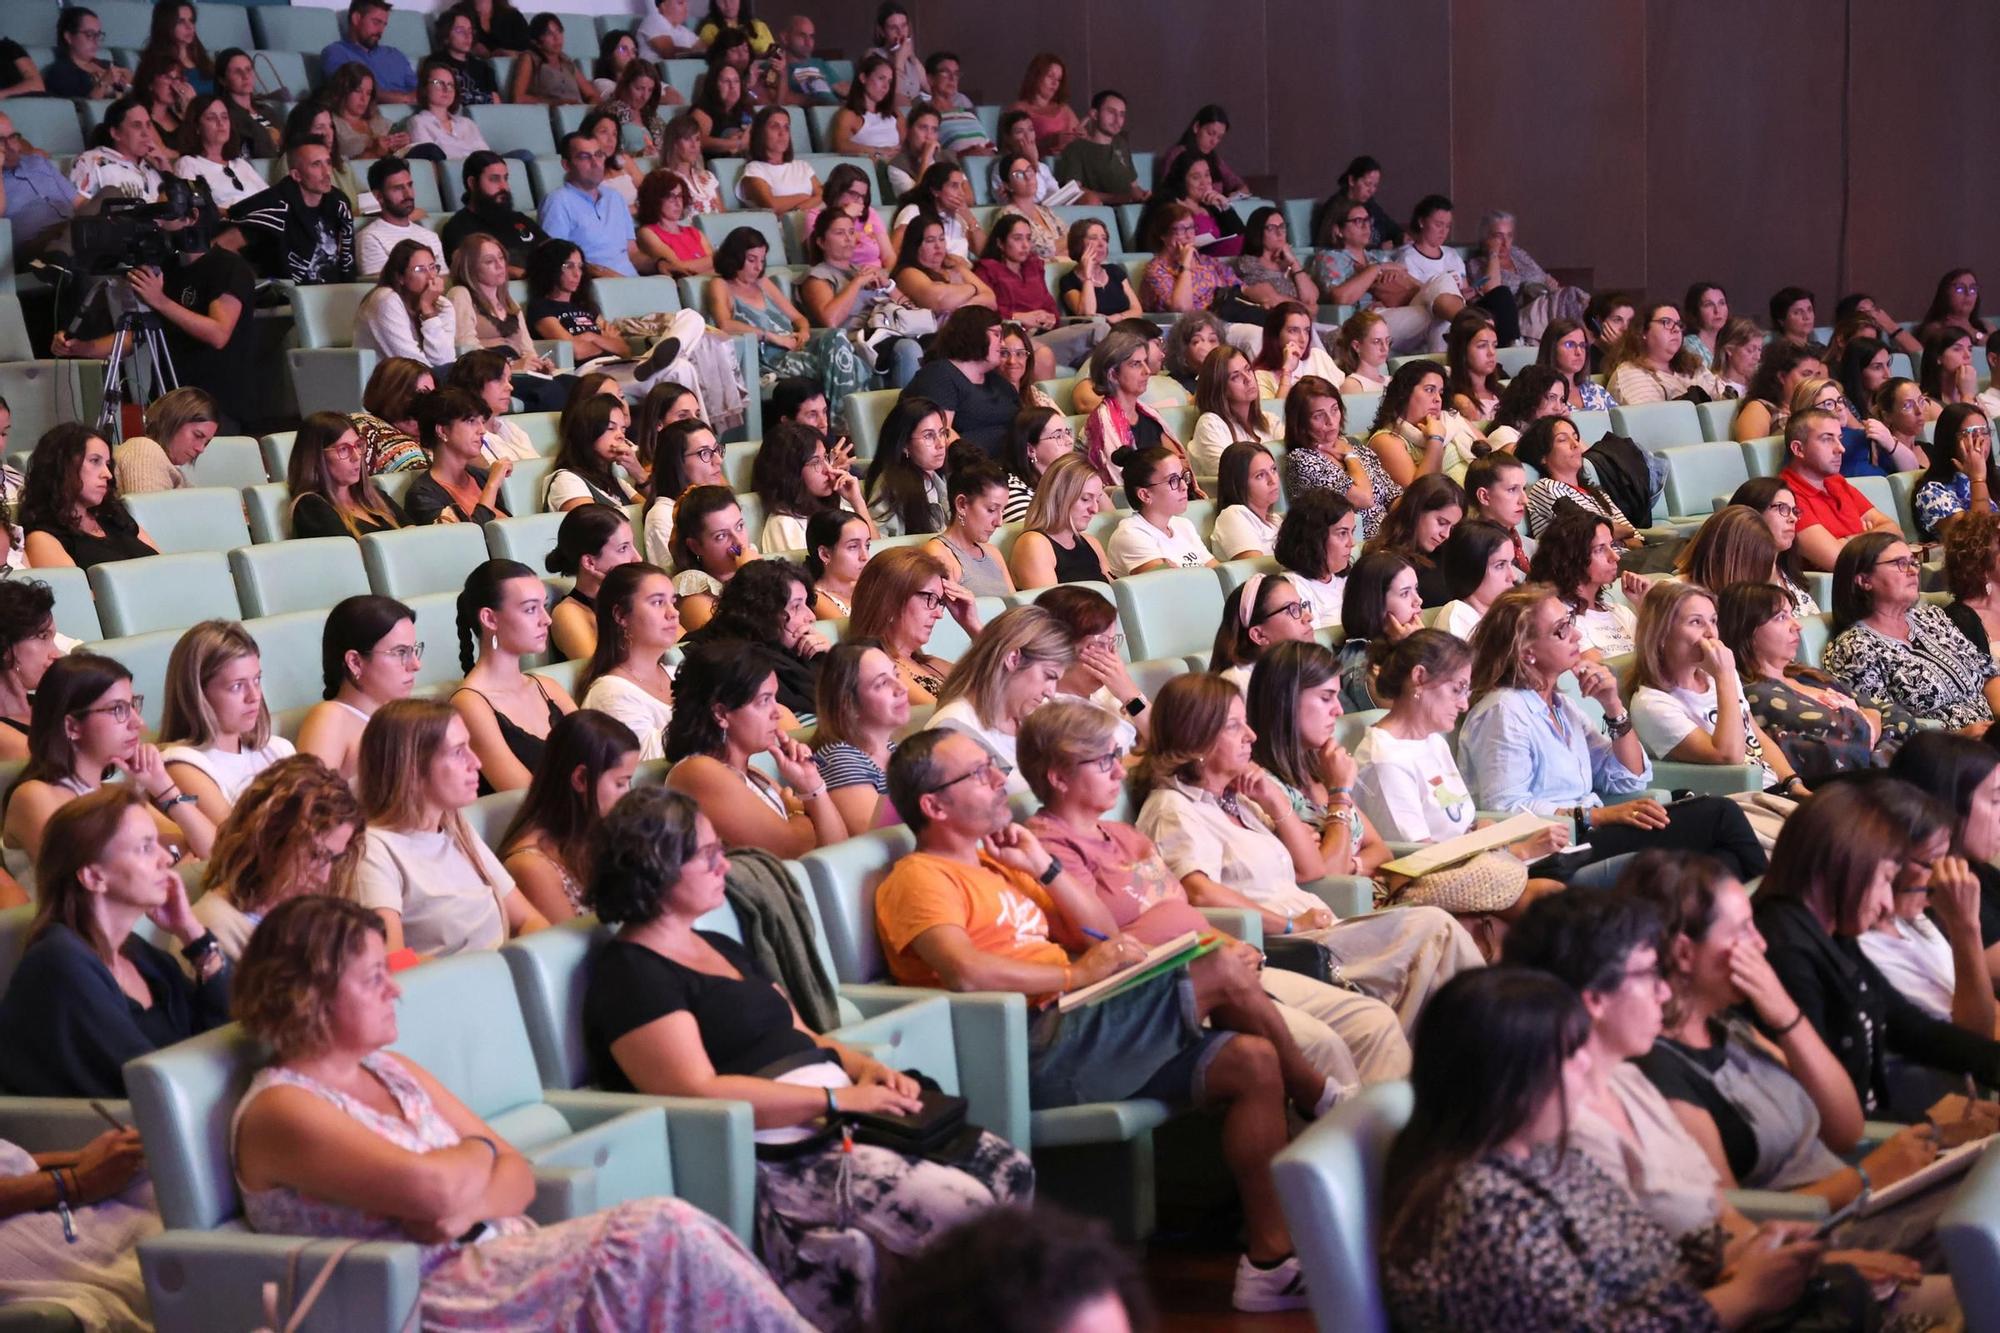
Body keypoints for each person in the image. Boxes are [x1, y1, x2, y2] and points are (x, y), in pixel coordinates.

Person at [876, 727, 1311, 1312]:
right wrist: (1075, 977)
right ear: (933, 805)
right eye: (979, 774)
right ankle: (1319, 1095)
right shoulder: (919, 878)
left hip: (1082, 1018)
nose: (1000, 778)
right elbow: (967, 973)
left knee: (1251, 1063)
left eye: (993, 767)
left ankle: (1270, 1263)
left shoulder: (1002, 861)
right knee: (1220, 967)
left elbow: (1103, 933)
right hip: (1029, 1044)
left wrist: (1044, 867)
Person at [231, 895, 803, 1327]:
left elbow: (519, 1176)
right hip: (427, 1302)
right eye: (374, 978)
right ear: (309, 995)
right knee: (659, 1233)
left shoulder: (393, 1069)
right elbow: (432, 1192)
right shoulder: (282, 1107)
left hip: (505, 1263)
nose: (396, 991)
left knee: (668, 1245)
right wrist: (474, 1162)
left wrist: (465, 1193)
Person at [587, 785, 1031, 1329]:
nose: (724, 863)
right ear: (653, 869)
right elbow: (697, 1092)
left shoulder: (721, 945)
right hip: (783, 1152)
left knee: (1010, 1170)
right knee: (966, 1209)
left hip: (841, 1117)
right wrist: (838, 1097)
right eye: (707, 855)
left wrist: (864, 1067)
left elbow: (805, 1035)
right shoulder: (630, 973)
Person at [1380, 968, 1818, 1333]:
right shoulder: (1479, 1209)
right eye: (1572, 1055)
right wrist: (1745, 1296)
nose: (1588, 1067)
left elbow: (1645, 1262)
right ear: (1510, 1080)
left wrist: (1747, 1255)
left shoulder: (1542, 1156)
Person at [1137, 667, 1483, 1033]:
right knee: (1435, 928)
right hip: (1285, 941)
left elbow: (1312, 871)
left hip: (1321, 924)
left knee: (1432, 951)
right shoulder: (1172, 809)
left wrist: (1273, 801)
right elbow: (1198, 891)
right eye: (1235, 726)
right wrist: (1288, 923)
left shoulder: (1240, 801)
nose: (1250, 736)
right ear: (1197, 739)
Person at [1626, 844, 1956, 1215]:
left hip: (1859, 1204)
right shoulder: (1657, 1070)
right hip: (1816, 1240)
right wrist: (1865, 1178)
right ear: (1685, 954)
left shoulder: (1728, 1025)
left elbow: (1844, 1129)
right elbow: (1731, 1225)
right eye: (1743, 930)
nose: (1761, 943)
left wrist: (1786, 1015)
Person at [1458, 584, 1767, 879]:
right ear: (1527, 653)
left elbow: (1629, 776)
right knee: (1720, 813)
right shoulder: (1504, 711)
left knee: (1720, 860)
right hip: (1551, 853)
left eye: (1570, 623)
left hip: (1587, 834)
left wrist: (1613, 705)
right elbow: (1507, 809)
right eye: (1561, 631)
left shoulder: (1562, 706)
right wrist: (1599, 816)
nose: (1576, 635)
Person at [1755, 782, 2000, 1118]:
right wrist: (1935, 1126)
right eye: (1885, 878)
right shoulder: (1786, 952)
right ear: (1846, 868)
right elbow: (1820, 1110)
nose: (1887, 905)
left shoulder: (1829, 933)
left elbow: (1910, 1028)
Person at [0, 785, 227, 1097]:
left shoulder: (136, 953)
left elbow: (226, 1033)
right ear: (93, 877)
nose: (165, 858)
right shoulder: (58, 963)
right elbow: (149, 1083)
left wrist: (193, 934)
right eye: (146, 848)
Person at [1352, 633, 1565, 942]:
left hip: (1470, 872)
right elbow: (1415, 861)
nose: (1464, 704)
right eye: (1457, 689)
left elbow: (1456, 818)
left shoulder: (1433, 740)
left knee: (1559, 893)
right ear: (1420, 679)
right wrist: (1517, 851)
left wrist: (1482, 828)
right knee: (1549, 901)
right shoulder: (1384, 759)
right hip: (1428, 889)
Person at [355, 697, 550, 954]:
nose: (476, 763)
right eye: (458, 752)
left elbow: (528, 919)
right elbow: (393, 961)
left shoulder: (456, 828)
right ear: (412, 767)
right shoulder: (374, 850)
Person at [1628, 580, 1804, 815]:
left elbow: (1756, 735)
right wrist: (1724, 677)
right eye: (1696, 622)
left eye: (1712, 620)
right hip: (1737, 803)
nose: (1711, 633)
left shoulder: (1714, 676)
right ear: (1662, 635)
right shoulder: (1652, 704)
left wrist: (1793, 783)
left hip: (1775, 790)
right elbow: (1728, 755)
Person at [1720, 581, 1913, 784]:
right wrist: (1870, 722)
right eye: (1781, 617)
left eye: (1791, 615)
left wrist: (1869, 720)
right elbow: (1842, 740)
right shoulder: (1756, 694)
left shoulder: (1807, 675)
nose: (1797, 626)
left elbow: (1890, 711)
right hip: (1849, 789)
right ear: (1748, 631)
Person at [661, 641, 843, 855]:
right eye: (764, 701)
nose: (778, 713)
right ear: (721, 713)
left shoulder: (753, 774)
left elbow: (838, 848)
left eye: (775, 698)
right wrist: (798, 812)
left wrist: (811, 784)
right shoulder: (699, 771)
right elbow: (794, 849)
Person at [1823, 530, 2000, 734]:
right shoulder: (1855, 648)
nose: (1913, 571)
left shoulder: (1933, 618)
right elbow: (1884, 726)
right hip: (1942, 753)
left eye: (1913, 562)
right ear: (1864, 580)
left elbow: (1988, 674)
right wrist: (1959, 737)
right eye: (1899, 563)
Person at [194, 755, 364, 962]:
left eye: (333, 859)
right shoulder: (214, 930)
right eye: (316, 855)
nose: (324, 877)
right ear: (269, 840)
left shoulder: (305, 916)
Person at [493, 710, 639, 924]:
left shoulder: (602, 834)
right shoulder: (531, 866)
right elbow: (571, 949)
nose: (628, 793)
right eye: (620, 783)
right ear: (581, 778)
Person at [448, 558, 577, 795]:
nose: (546, 619)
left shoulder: (547, 686)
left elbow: (599, 754)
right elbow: (525, 799)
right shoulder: (469, 704)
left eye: (544, 606)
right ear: (490, 618)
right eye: (530, 609)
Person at [154, 619, 295, 827]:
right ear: (198, 694)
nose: (254, 696)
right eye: (237, 686)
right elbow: (234, 838)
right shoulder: (180, 763)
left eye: (256, 680)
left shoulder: (278, 749)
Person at [294, 596, 419, 786]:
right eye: (400, 652)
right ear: (355, 662)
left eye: (414, 651)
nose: (416, 664)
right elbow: (311, 808)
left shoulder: (403, 716)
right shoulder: (330, 719)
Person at [682, 558, 830, 719]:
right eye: (796, 607)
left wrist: (828, 659)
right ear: (764, 615)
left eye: (806, 605)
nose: (811, 617)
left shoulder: (802, 654)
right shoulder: (733, 669)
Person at [850, 545, 976, 707]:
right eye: (929, 598)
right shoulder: (880, 669)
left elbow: (999, 687)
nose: (939, 614)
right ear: (890, 601)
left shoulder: (927, 663)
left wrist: (972, 624)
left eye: (939, 602)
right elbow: (941, 717)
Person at [19, 424, 159, 570]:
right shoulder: (43, 538)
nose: (108, 474)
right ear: (62, 466)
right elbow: (78, 593)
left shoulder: (115, 516)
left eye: (107, 464)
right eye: (95, 461)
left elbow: (166, 565)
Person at [229, 135, 355, 286]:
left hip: (335, 296)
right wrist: (253, 281)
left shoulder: (338, 202)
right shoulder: (274, 207)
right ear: (296, 175)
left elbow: (346, 260)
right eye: (316, 165)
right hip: (288, 299)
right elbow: (222, 246)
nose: (326, 172)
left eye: (328, 163)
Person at [1283, 377, 1397, 540]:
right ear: (1300, 423)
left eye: (1334, 410)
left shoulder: (1356, 447)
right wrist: (1350, 456)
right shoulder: (1302, 460)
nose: (1331, 422)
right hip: (1359, 545)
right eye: (1318, 416)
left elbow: (1392, 495)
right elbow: (1364, 498)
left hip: (1391, 536)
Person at [1528, 508, 1643, 659]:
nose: (1615, 557)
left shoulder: (1621, 612)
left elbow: (1659, 663)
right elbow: (1605, 674)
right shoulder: (1562, 619)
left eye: (1612, 545)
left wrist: (1644, 605)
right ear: (1571, 557)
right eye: (1600, 549)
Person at [1517, 415, 1639, 546]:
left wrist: (1619, 534)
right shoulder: (1545, 488)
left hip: (1629, 559)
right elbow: (1591, 530)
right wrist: (1619, 534)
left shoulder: (1596, 493)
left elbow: (1636, 537)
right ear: (1543, 456)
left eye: (1575, 438)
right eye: (1562, 440)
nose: (1575, 444)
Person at [1364, 359, 1486, 490]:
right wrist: (1436, 440)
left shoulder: (1452, 419)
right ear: (1405, 393)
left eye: (1440, 392)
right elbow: (1423, 494)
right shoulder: (1386, 440)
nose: (1438, 399)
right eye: (1429, 390)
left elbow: (1493, 458)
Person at [539, 131, 641, 278]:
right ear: (566, 165)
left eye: (599, 155)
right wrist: (603, 274)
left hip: (633, 284)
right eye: (584, 157)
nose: (595, 163)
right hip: (596, 287)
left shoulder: (615, 197)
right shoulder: (558, 201)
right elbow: (557, 260)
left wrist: (660, 263)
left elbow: (633, 253)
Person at [404, 387, 512, 527]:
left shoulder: (481, 477)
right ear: (442, 431)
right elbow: (468, 540)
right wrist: (492, 486)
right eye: (471, 421)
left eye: (482, 422)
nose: (482, 430)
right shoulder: (423, 495)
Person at [543, 503, 637, 663]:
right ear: (589, 562)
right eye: (623, 548)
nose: (637, 558)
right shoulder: (568, 613)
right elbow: (602, 675)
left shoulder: (631, 598)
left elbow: (680, 649)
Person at [1675, 504, 1801, 616]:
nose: (1761, 580)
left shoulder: (1738, 602)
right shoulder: (1676, 600)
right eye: (1757, 566)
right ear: (1733, 561)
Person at [1106, 445, 1213, 577]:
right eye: (1173, 480)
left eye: (1183, 476)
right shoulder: (1130, 534)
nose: (1184, 486)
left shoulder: (1183, 525)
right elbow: (1172, 585)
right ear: (1145, 495)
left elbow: (1217, 573)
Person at [1010, 453, 1111, 589]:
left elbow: (1114, 593)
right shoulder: (1034, 543)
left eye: (1097, 500)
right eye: (1085, 499)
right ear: (1059, 497)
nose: (1095, 509)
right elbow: (1051, 606)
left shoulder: (1092, 543)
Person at [662, 485, 754, 631]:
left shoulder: (753, 561)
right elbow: (729, 645)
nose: (738, 541)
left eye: (740, 526)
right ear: (695, 546)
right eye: (721, 536)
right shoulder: (691, 589)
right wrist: (752, 576)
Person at [355, 239, 456, 370]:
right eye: (420, 269)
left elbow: (444, 360)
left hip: (426, 379)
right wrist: (427, 308)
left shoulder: (443, 305)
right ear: (400, 277)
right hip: (388, 382)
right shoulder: (385, 301)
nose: (431, 276)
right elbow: (411, 365)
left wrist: (429, 312)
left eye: (433, 267)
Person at [1366, 473, 1465, 605]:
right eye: (1441, 522)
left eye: (1452, 528)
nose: (1446, 535)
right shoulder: (1383, 562)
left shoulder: (1449, 553)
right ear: (1416, 510)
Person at [1208, 573, 1317, 694]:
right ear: (1259, 635)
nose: (1309, 617)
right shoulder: (1239, 684)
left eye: (1301, 606)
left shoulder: (1301, 667)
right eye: (1292, 609)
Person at [442, 152, 547, 276]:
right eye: (494, 179)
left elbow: (552, 250)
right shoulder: (458, 226)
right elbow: (467, 267)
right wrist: (523, 274)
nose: (504, 187)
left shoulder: (520, 219)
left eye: (506, 178)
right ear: (472, 183)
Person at [1603, 300, 1721, 405]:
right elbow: (1655, 421)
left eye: (1679, 324)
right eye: (1666, 322)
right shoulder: (1630, 373)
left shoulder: (1692, 367)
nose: (1676, 329)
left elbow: (1723, 399)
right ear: (1643, 331)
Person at [1912, 403, 2000, 541]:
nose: (1980, 440)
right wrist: (1977, 479)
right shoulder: (1931, 493)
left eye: (1984, 432)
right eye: (1969, 434)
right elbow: (1977, 539)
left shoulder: (1995, 477)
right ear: (1949, 440)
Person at [864, 397, 949, 537]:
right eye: (929, 436)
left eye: (942, 433)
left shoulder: (939, 476)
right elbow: (877, 545)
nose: (941, 444)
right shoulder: (890, 488)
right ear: (904, 445)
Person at [110, 385, 217, 495]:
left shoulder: (173, 471)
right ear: (172, 422)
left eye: (206, 442)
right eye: (197, 435)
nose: (201, 449)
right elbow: (149, 510)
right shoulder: (144, 450)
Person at [1188, 349, 1279, 476]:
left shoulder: (1269, 420)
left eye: (1248, 369)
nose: (1248, 378)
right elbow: (1233, 476)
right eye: (1236, 376)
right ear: (1220, 388)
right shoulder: (1210, 424)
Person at [68, 95, 167, 205]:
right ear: (115, 133)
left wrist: (166, 168)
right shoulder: (90, 161)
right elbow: (79, 212)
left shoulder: (153, 166)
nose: (146, 133)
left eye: (148, 125)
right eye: (136, 125)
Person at [1053, 89, 1146, 205]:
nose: (1118, 120)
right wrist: (1114, 198)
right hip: (1103, 210)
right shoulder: (1076, 148)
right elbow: (1074, 190)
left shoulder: (1121, 143)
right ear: (1095, 114)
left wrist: (1143, 194)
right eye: (1111, 112)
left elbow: (1134, 186)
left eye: (1122, 114)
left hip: (1130, 207)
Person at [1434, 518, 1520, 638]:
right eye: (1500, 565)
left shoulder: (1506, 614)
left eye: (1512, 563)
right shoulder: (1457, 615)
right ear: (1472, 568)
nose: (1513, 576)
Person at [170, 93, 257, 210]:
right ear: (197, 127)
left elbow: (270, 196)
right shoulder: (189, 164)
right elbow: (199, 206)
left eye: (224, 117)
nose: (221, 123)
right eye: (211, 118)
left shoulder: (241, 164)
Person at [1733, 341, 1828, 443]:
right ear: (1782, 377)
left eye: (1817, 375)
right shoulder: (1759, 408)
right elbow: (1750, 454)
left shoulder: (1818, 407)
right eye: (1806, 374)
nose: (1814, 381)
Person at [1208, 441, 1283, 562]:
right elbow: (1255, 570)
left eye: (1273, 469)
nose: (1272, 480)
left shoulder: (1276, 520)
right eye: (1260, 475)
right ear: (1239, 484)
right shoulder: (1233, 515)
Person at [1058, 218, 1141, 323]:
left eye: (1104, 238)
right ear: (1078, 244)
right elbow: (1088, 313)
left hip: (1126, 329)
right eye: (1093, 238)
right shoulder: (1068, 281)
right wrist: (1087, 276)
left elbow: (1137, 309)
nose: (1101, 244)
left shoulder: (1114, 271)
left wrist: (1118, 317)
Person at [998, 405, 1073, 521]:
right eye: (1058, 436)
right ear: (1031, 450)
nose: (1069, 441)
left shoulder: (1065, 478)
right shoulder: (1012, 493)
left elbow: (1107, 518)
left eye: (1067, 432)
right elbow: (1034, 534)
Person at [408, 56, 491, 157]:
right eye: (438, 83)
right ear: (424, 88)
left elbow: (487, 157)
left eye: (450, 84)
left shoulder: (467, 124)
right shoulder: (418, 121)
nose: (446, 89)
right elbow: (432, 158)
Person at [44, 7, 130, 100]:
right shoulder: (60, 73)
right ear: (68, 37)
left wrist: (133, 83)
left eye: (98, 35)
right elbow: (78, 109)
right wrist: (103, 83)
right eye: (89, 35)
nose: (96, 41)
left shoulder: (108, 64)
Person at [508, 11, 592, 105]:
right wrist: (557, 103)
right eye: (548, 33)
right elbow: (518, 98)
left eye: (559, 31)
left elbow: (592, 95)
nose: (556, 38)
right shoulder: (529, 58)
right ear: (536, 42)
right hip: (550, 115)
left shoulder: (566, 61)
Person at [806, 508, 870, 620]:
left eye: (867, 545)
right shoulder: (816, 598)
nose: (865, 557)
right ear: (825, 554)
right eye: (853, 547)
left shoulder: (870, 585)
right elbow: (855, 634)